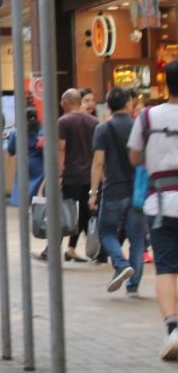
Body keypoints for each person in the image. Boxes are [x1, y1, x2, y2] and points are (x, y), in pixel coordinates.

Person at [129, 60, 178, 360]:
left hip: (159, 203)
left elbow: (135, 156)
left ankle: (173, 329)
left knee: (166, 267)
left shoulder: (147, 116)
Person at [90, 87, 144, 295]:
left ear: (108, 106)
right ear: (128, 104)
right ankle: (133, 286)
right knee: (137, 237)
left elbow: (98, 162)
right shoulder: (140, 126)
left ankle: (121, 265)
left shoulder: (103, 129)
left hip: (113, 189)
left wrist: (93, 192)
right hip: (137, 191)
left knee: (106, 231)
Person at [39, 88, 97, 262]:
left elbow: (61, 149)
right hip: (89, 176)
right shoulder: (94, 122)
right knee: (86, 213)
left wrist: (58, 174)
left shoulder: (63, 122)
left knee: (64, 213)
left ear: (66, 102)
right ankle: (99, 250)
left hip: (71, 175)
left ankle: (52, 249)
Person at [6, 106, 44, 207]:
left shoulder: (16, 133)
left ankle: (25, 211)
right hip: (40, 164)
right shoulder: (42, 131)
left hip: (24, 165)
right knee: (37, 191)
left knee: (23, 189)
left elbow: (11, 151)